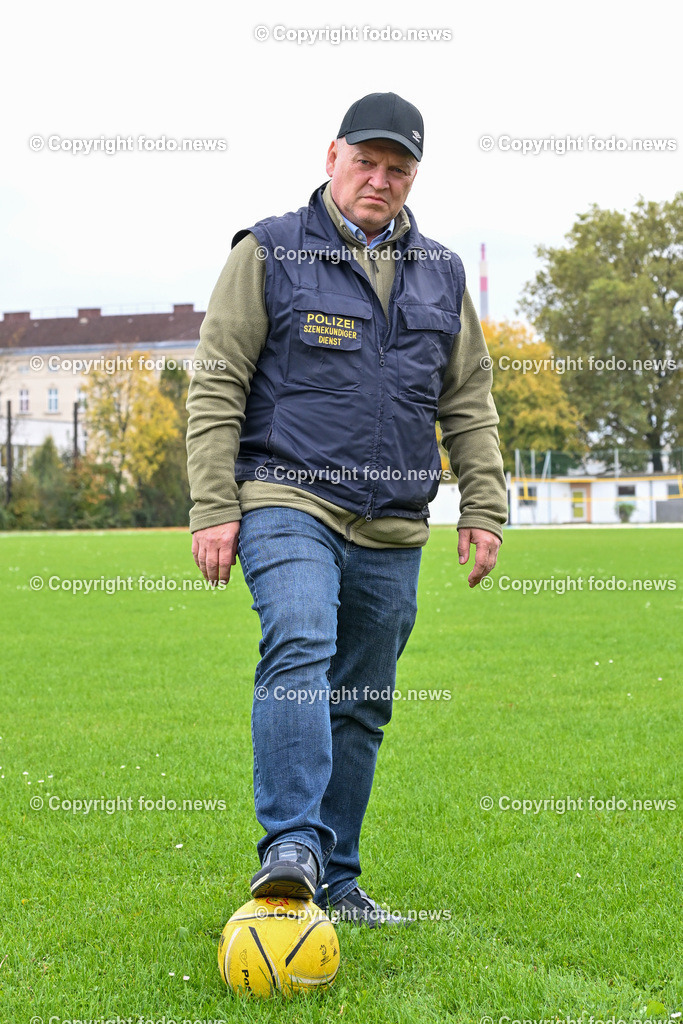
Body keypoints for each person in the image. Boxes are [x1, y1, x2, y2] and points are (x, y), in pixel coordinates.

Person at [186, 92, 507, 927]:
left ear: (413, 177)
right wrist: (212, 505)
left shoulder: (439, 271)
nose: (379, 179)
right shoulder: (269, 251)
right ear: (330, 157)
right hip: (287, 493)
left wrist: (485, 505)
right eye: (365, 161)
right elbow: (218, 379)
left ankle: (333, 880)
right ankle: (289, 845)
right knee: (299, 638)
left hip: (394, 518)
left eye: (397, 168)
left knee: (361, 699)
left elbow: (466, 398)